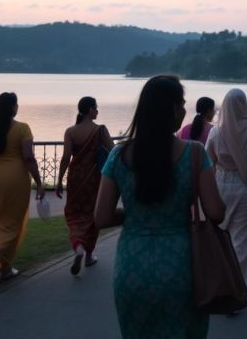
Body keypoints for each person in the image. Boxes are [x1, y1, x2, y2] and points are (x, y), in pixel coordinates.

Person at [94, 75, 225, 339]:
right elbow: (216, 212)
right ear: (173, 109)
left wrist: (135, 214)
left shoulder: (118, 155)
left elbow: (101, 217)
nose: (185, 110)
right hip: (182, 267)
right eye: (182, 104)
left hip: (132, 266)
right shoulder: (195, 153)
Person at [0, 92, 45, 282]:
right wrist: (39, 183)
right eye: (17, 104)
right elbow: (29, 158)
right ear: (13, 107)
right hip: (15, 179)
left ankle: (3, 266)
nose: (18, 107)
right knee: (13, 222)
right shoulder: (23, 128)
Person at [207, 88, 247, 278]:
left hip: (221, 186)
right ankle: (236, 285)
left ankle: (221, 281)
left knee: (221, 234)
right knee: (241, 239)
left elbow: (208, 161)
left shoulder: (216, 132)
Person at [55, 96, 113, 274]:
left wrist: (59, 180)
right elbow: (113, 152)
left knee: (74, 213)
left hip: (75, 179)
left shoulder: (70, 131)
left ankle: (78, 246)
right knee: (92, 214)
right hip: (95, 179)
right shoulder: (100, 130)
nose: (97, 111)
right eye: (95, 108)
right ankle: (88, 256)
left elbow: (66, 158)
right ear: (89, 110)